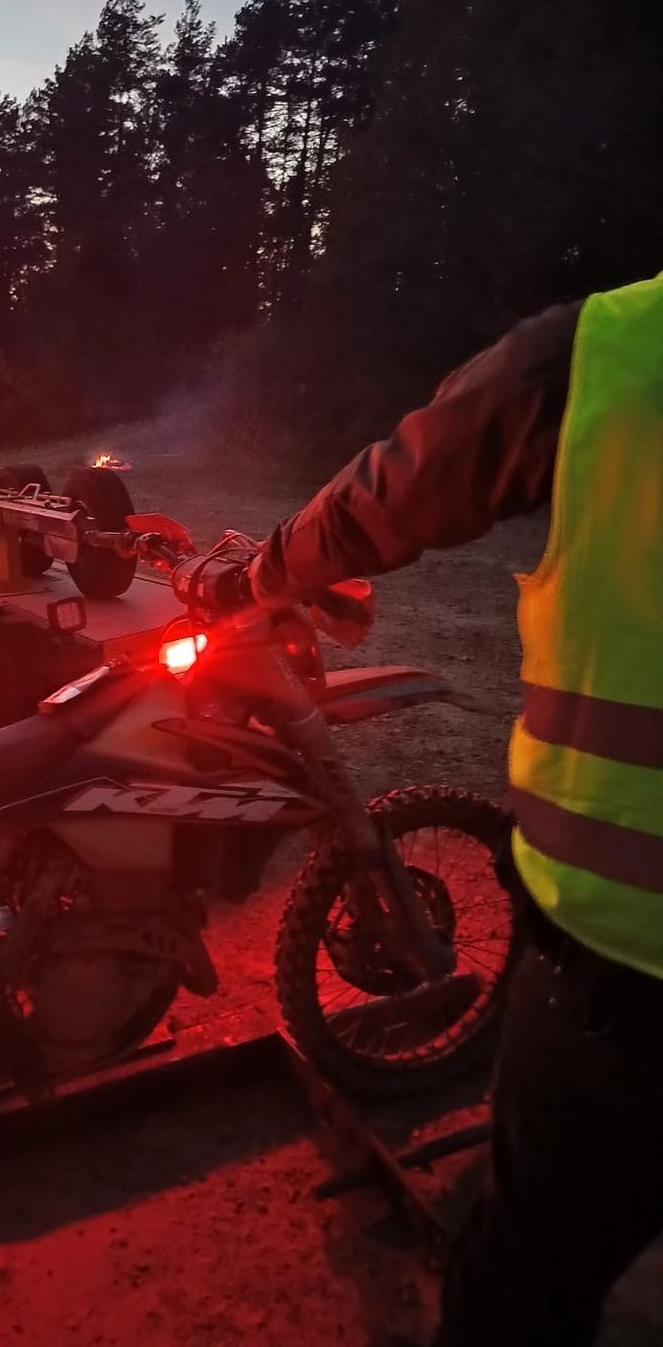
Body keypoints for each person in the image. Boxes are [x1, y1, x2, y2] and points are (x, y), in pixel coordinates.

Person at [231, 276, 662, 1345]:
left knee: (524, 1271)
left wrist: (255, 576)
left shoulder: (613, 349)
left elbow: (396, 485)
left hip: (625, 981)